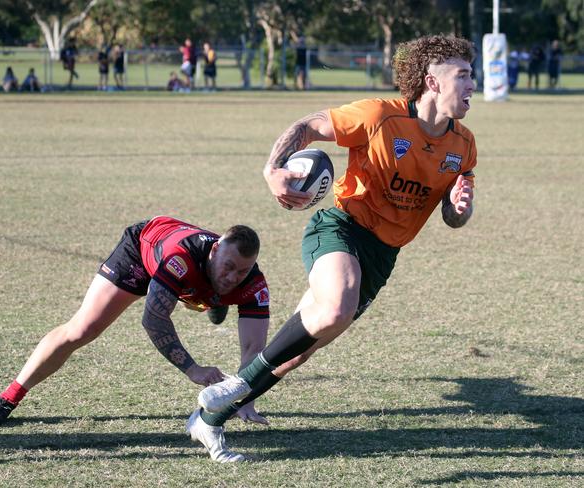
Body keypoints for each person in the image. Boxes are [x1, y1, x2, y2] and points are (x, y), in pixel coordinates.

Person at [191, 34, 477, 462]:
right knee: (337, 307)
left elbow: (454, 217)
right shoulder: (380, 116)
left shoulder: (464, 145)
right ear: (432, 82)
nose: (474, 84)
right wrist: (272, 169)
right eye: (464, 75)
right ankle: (235, 388)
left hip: (383, 256)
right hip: (341, 227)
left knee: (298, 352)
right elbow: (308, 126)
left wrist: (458, 208)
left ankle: (208, 422)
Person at [0, 216, 271, 457]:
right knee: (82, 329)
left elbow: (253, 347)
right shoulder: (179, 258)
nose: (233, 277)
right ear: (216, 249)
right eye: (228, 267)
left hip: (191, 279)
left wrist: (244, 398)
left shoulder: (253, 283)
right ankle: (9, 397)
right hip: (143, 252)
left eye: (241, 271)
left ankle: (209, 301)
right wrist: (192, 368)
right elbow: (154, 320)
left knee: (210, 290)